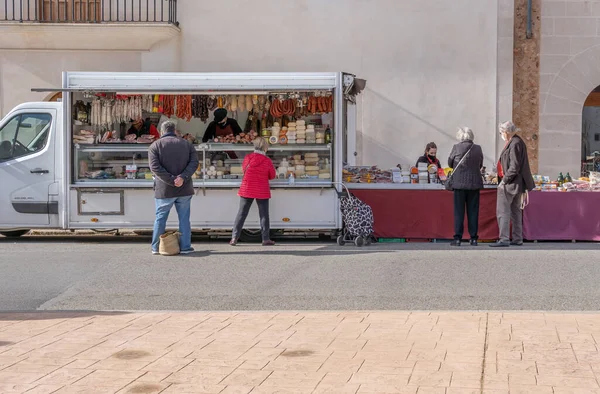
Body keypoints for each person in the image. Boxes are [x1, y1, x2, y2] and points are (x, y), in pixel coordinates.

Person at [148, 120, 199, 255]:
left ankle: (156, 247)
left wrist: (171, 180)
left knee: (160, 218)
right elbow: (194, 163)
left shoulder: (155, 145)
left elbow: (155, 168)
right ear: (175, 130)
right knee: (184, 218)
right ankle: (185, 247)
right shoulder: (187, 144)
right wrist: (182, 177)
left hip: (164, 189)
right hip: (184, 188)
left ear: (162, 131)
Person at [490, 121, 535, 247]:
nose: (501, 135)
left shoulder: (514, 143)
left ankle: (504, 239)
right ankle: (517, 238)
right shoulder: (517, 142)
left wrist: (503, 181)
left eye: (501, 132)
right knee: (515, 212)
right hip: (517, 184)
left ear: (506, 132)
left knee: (503, 212)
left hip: (510, 183)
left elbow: (514, 166)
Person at [230, 137, 276, 246]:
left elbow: (243, 170)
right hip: (261, 189)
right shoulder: (267, 160)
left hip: (247, 188)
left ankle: (234, 238)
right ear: (265, 147)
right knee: (264, 215)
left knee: (241, 214)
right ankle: (265, 239)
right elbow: (272, 176)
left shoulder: (248, 157)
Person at [447, 127, 484, 246]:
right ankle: (473, 238)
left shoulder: (456, 147)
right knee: (473, 212)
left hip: (459, 185)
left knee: (459, 212)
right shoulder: (477, 148)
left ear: (460, 137)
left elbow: (450, 163)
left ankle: (457, 238)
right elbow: (480, 164)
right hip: (474, 184)